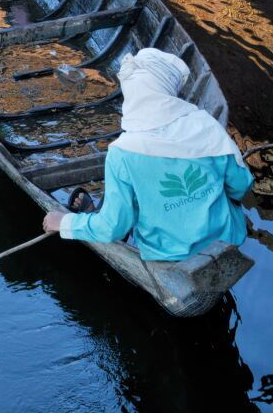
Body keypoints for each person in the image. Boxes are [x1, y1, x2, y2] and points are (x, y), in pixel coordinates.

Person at [43, 48, 254, 261]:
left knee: (127, 208)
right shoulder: (206, 124)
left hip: (170, 255)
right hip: (227, 237)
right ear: (166, 89)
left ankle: (97, 214)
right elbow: (240, 185)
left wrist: (63, 222)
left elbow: (112, 227)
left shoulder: (122, 153)